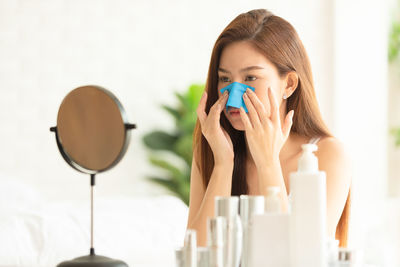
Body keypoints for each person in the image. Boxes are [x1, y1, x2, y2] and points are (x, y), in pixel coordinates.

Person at [187, 9, 351, 247]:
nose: (233, 98)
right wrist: (223, 164)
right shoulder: (213, 148)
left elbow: (303, 258)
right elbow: (197, 256)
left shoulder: (328, 155)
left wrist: (267, 163)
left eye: (251, 78)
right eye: (224, 79)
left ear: (289, 84)